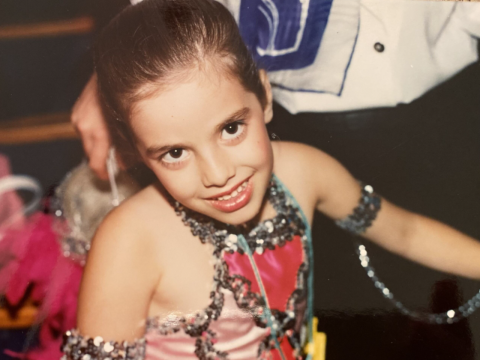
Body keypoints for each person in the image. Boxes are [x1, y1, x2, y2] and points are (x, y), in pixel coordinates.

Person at [61, 1, 480, 359]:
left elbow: (404, 232)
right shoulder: (129, 242)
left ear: (263, 96)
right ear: (135, 151)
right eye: (175, 153)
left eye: (230, 129)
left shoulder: (305, 170)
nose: (219, 174)